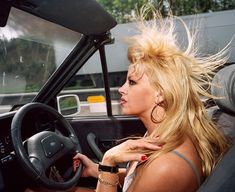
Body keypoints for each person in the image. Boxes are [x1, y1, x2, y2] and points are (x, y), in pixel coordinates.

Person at [26, 5, 231, 192]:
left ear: (161, 92)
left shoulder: (167, 166)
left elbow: (153, 179)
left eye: (131, 82)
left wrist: (108, 163)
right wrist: (96, 170)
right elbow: (140, 182)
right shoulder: (162, 137)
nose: (121, 89)